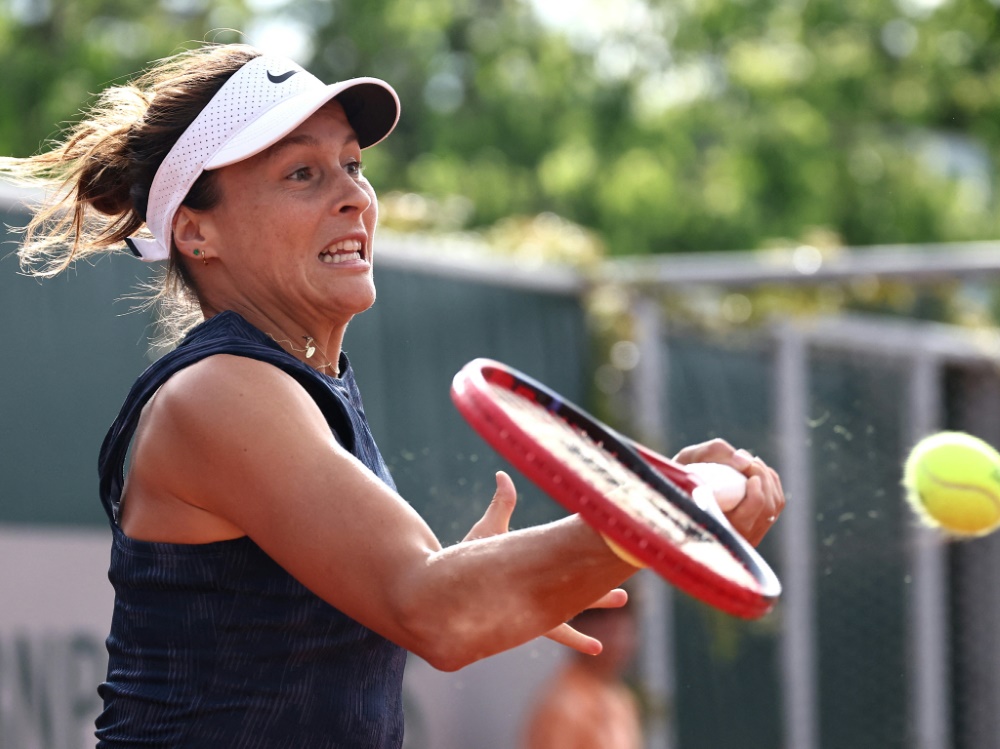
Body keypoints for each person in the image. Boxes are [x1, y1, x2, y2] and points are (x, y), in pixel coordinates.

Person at [0, 42, 786, 748]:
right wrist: (666, 512)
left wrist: (507, 574)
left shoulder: (307, 388)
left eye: (353, 165)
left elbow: (439, 601)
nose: (353, 197)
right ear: (197, 233)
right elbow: (436, 610)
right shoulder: (219, 392)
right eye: (301, 172)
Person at [521, 595, 643, 749]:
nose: (619, 640)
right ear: (579, 628)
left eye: (625, 630)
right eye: (608, 630)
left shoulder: (621, 700)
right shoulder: (564, 707)